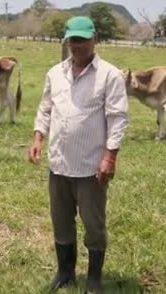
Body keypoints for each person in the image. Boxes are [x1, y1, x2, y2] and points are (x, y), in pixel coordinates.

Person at [28, 16, 129, 293]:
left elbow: (118, 118)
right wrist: (38, 137)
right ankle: (65, 272)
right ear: (67, 41)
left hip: (91, 167)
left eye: (83, 39)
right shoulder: (55, 73)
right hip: (59, 163)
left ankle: (94, 278)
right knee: (60, 220)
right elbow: (45, 108)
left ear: (94, 38)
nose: (78, 45)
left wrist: (110, 156)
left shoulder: (109, 75)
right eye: (73, 40)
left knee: (93, 223)